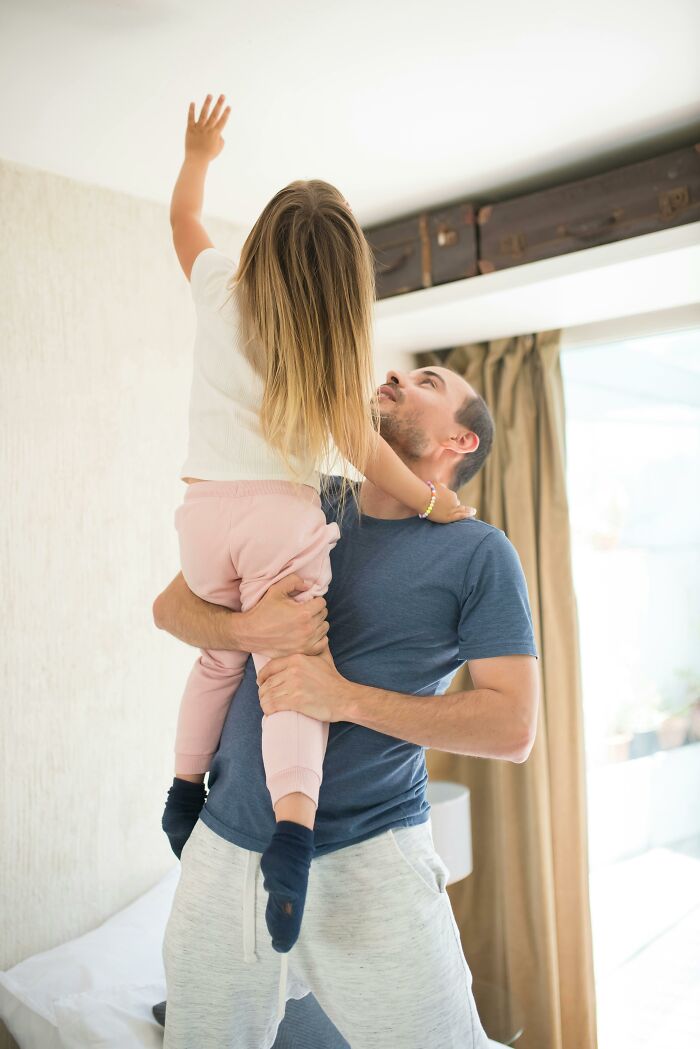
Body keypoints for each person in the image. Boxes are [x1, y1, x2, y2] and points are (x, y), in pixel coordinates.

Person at [153, 355, 540, 1048]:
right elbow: (172, 607)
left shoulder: (480, 553)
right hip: (224, 849)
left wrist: (341, 697)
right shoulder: (301, 496)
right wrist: (247, 628)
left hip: (372, 859)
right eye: (402, 371)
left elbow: (512, 725)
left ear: (462, 441)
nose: (394, 376)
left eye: (428, 382)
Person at [165, 92, 473, 959]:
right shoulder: (330, 352)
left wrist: (200, 151)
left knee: (217, 655)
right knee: (291, 667)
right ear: (346, 290)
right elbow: (367, 456)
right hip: (275, 517)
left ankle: (183, 788)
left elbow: (184, 215)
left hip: (199, 517)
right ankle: (294, 833)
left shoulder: (221, 283)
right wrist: (434, 501)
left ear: (258, 245)